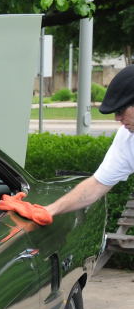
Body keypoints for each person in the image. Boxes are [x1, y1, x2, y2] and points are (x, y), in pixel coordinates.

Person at [44, 65, 134, 219]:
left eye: (120, 111)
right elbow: (97, 184)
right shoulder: (127, 138)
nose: (117, 118)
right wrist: (48, 211)